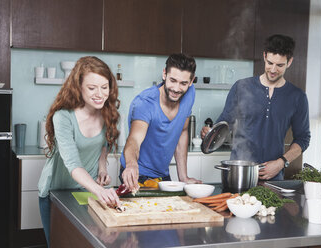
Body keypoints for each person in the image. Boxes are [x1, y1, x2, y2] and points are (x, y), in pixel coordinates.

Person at [201, 34, 310, 181]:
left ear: (289, 62)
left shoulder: (297, 97)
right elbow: (225, 123)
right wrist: (210, 133)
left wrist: (281, 163)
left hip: (273, 176)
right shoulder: (241, 87)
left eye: (279, 65)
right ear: (264, 56)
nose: (273, 69)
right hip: (238, 173)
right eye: (270, 62)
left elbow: (303, 138)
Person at [38, 56, 121, 246]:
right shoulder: (63, 117)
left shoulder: (109, 114)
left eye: (104, 87)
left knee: (86, 243)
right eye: (92, 88)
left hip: (87, 191)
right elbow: (73, 164)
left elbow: (103, 146)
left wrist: (102, 170)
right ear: (79, 87)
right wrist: (100, 190)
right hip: (55, 192)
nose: (100, 94)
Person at [120, 53, 202, 191]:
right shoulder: (144, 103)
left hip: (163, 174)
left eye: (183, 83)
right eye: (173, 80)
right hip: (137, 174)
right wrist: (131, 165)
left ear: (191, 81)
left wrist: (183, 177)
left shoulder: (189, 93)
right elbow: (134, 139)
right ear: (164, 74)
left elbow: (182, 131)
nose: (176, 89)